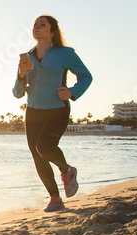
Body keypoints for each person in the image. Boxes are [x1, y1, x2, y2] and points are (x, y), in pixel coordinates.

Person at [13, 15, 92, 212]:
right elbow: (17, 93)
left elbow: (86, 76)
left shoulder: (64, 53)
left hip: (57, 109)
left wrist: (72, 92)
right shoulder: (27, 57)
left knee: (45, 147)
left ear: (52, 31)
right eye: (34, 25)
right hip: (33, 112)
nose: (37, 27)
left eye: (42, 25)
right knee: (37, 156)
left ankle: (67, 170)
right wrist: (21, 75)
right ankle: (55, 199)